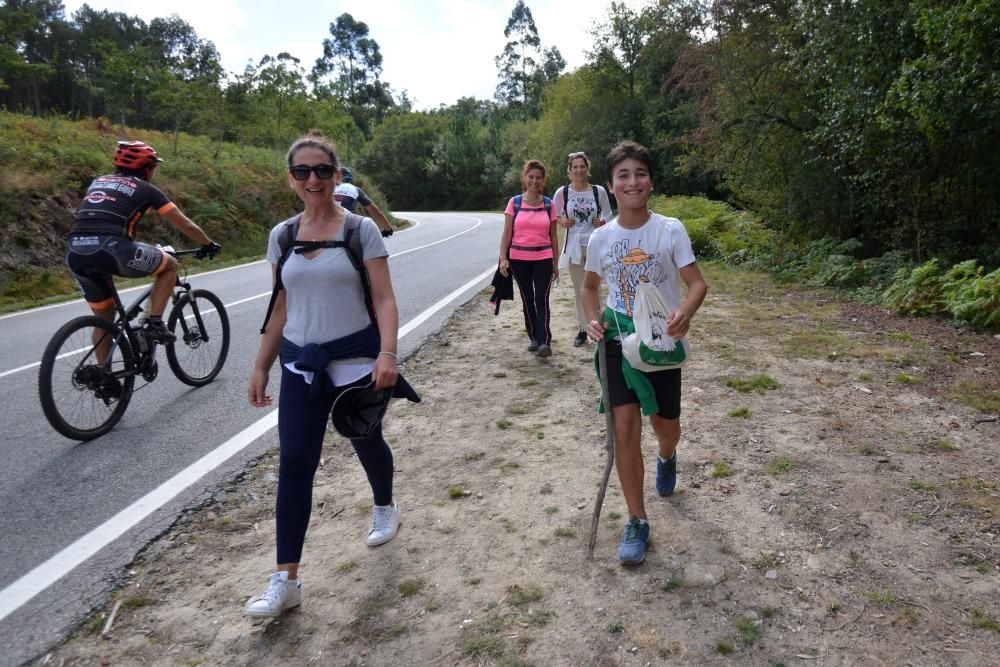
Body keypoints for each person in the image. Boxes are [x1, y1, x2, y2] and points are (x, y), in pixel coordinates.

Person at [245, 130, 405, 618]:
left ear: (337, 176)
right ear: (291, 179)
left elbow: (384, 298)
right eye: (302, 171)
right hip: (300, 364)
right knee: (295, 463)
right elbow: (279, 308)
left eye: (321, 170)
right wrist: (260, 364)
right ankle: (285, 579)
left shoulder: (360, 231)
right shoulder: (283, 236)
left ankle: (384, 504)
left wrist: (388, 353)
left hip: (356, 361)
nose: (312, 179)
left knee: (366, 440)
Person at [581, 141, 708, 565]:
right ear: (611, 185)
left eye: (640, 173)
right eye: (623, 175)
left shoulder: (670, 229)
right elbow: (589, 287)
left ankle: (667, 455)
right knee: (624, 429)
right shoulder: (602, 237)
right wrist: (589, 320)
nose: (632, 181)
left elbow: (697, 283)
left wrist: (685, 313)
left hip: (659, 342)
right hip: (618, 339)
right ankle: (637, 518)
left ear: (650, 181)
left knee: (665, 426)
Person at [65, 140, 219, 376]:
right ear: (147, 168)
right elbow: (184, 223)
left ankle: (103, 377)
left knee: (104, 320)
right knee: (170, 266)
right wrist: (207, 243)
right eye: (153, 167)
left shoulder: (98, 182)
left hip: (76, 252)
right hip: (113, 249)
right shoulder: (146, 189)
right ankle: (153, 322)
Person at [498, 160, 560, 358]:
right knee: (527, 299)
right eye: (531, 177)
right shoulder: (514, 203)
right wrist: (502, 258)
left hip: (543, 257)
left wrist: (555, 263)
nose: (534, 181)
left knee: (541, 298)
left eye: (538, 178)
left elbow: (553, 236)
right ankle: (533, 336)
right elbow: (507, 232)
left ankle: (544, 342)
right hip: (518, 259)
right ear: (525, 178)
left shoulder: (549, 204)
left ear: (543, 181)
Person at [551, 151, 613, 347]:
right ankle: (583, 329)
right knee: (580, 290)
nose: (579, 170)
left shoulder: (598, 191)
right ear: (570, 170)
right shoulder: (563, 192)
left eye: (582, 166)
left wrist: (602, 221)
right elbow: (553, 215)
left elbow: (609, 214)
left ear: (588, 168)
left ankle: (599, 326)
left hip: (596, 245)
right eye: (575, 167)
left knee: (595, 288)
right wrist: (562, 221)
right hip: (574, 247)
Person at [334, 166, 394, 237]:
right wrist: (388, 230)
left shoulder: (326, 190)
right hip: (346, 228)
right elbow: (377, 213)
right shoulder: (355, 189)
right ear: (350, 180)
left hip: (324, 228)